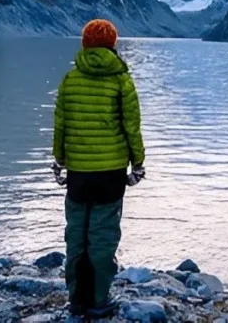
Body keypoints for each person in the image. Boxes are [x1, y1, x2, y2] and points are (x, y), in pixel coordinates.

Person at [51, 19, 146, 319]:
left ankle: (76, 299)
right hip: (110, 173)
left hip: (78, 173)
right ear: (113, 44)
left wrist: (59, 160)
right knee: (103, 235)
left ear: (84, 43)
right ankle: (98, 300)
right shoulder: (121, 80)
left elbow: (60, 125)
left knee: (76, 234)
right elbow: (132, 127)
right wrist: (138, 162)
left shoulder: (70, 79)